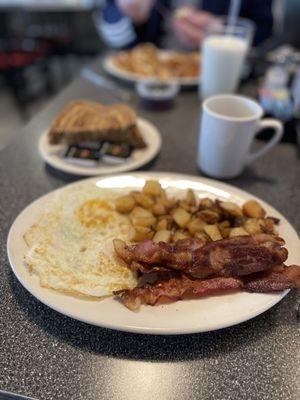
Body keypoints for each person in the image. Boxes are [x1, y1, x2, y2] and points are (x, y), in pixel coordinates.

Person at [98, 0, 273, 49]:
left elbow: (265, 31)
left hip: (219, 81)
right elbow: (114, 35)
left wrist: (223, 32)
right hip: (147, 78)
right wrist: (131, 15)